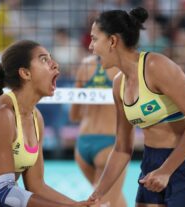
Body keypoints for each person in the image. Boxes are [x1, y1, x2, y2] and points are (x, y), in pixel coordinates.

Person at [87, 7, 185, 207]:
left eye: (95, 39)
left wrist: (167, 170)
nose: (90, 46)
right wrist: (97, 194)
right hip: (152, 163)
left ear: (113, 41)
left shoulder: (156, 66)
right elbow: (122, 148)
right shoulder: (118, 84)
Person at [0, 40, 93, 207]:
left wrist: (79, 204)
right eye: (44, 60)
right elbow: (5, 192)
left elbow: (37, 186)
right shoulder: (0, 115)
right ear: (25, 73)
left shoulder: (37, 118)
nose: (55, 65)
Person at [69, 55, 127, 207]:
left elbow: (74, 115)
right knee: (106, 202)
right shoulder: (123, 65)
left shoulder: (85, 64)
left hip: (83, 142)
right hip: (110, 143)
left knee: (110, 200)